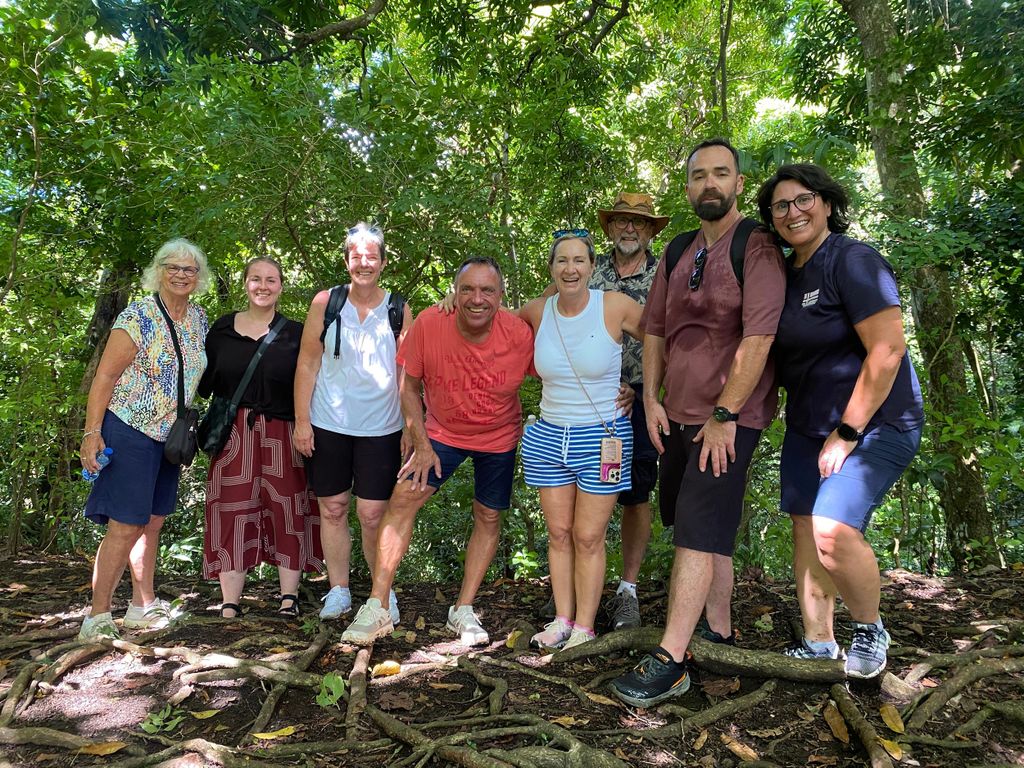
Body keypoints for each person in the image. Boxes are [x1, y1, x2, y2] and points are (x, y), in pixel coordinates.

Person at [610, 139, 786, 707]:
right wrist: (653, 400)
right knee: (708, 528)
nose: (709, 184)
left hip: (729, 418)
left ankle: (673, 657)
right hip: (677, 414)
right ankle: (720, 628)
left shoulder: (756, 245)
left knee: (694, 529)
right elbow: (655, 330)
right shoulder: (679, 249)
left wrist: (725, 414)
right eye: (697, 176)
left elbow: (759, 337)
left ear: (737, 183)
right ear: (687, 188)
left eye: (720, 174)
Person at [755, 163, 923, 678]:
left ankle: (870, 629)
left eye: (803, 199)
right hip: (810, 425)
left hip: (873, 424)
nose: (793, 212)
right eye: (780, 206)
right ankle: (818, 642)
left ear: (827, 203)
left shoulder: (851, 259)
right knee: (806, 527)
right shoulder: (785, 274)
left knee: (831, 529)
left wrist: (847, 432)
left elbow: (888, 349)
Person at [341, 257, 535, 646]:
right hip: (443, 432)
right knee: (403, 500)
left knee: (489, 515)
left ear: (501, 296)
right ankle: (377, 605)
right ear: (454, 292)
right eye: (467, 289)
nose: (476, 298)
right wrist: (422, 442)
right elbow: (409, 387)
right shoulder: (431, 324)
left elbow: (565, 344)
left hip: (498, 436)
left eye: (487, 290)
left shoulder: (520, 334)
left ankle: (463, 609)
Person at [537, 193, 668, 632]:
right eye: (621, 222)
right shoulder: (586, 274)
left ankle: (626, 590)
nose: (629, 229)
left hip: (630, 407)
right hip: (572, 413)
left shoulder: (662, 273)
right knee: (568, 528)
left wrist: (648, 390)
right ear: (609, 229)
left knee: (635, 497)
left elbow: (665, 333)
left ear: (650, 230)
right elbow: (530, 323)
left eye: (639, 223)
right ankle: (567, 611)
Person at [78, 238, 210, 641]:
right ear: (159, 270)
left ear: (198, 276)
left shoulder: (199, 319)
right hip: (129, 428)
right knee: (125, 524)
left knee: (152, 522)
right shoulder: (138, 316)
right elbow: (105, 377)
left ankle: (142, 605)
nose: (182, 275)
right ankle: (97, 616)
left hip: (169, 437)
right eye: (174, 267)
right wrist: (92, 433)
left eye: (190, 269)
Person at [520, 231, 644, 650]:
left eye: (579, 261)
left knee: (588, 536)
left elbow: (665, 339)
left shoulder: (615, 306)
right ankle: (561, 619)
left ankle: (585, 628)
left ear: (594, 266)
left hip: (603, 436)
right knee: (558, 533)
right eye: (561, 261)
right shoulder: (537, 311)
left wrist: (646, 391)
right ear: (551, 269)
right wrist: (449, 304)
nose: (570, 269)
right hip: (549, 436)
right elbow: (488, 322)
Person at [293, 224, 413, 624]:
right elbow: (308, 362)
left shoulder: (397, 308)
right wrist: (302, 421)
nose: (364, 263)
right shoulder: (326, 303)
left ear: (382, 262)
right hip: (329, 422)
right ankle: (339, 590)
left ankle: (382, 593)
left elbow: (407, 374)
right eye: (356, 256)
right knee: (332, 507)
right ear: (347, 260)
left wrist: (411, 427)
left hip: (382, 428)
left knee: (374, 514)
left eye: (372, 256)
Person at [199, 257, 324, 619]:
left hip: (285, 432)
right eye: (256, 279)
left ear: (281, 286)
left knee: (288, 509)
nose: (263, 286)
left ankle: (289, 597)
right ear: (246, 283)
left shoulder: (297, 333)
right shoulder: (221, 330)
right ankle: (230, 601)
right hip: (233, 435)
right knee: (230, 509)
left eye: (271, 280)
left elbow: (316, 378)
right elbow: (202, 382)